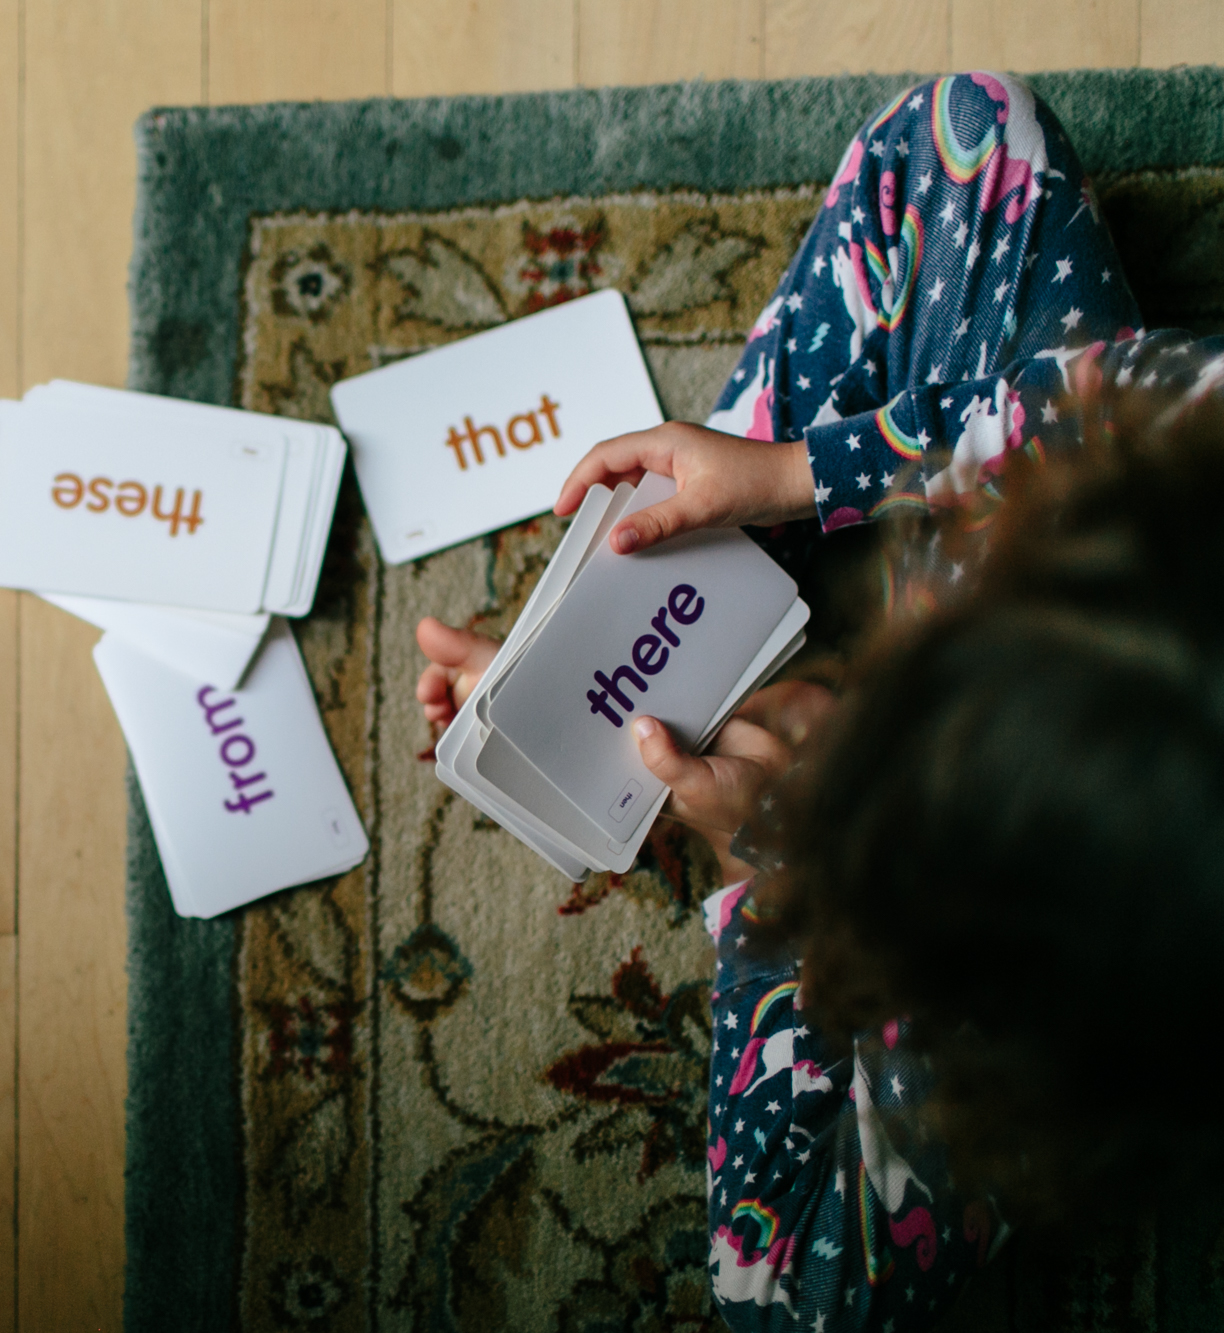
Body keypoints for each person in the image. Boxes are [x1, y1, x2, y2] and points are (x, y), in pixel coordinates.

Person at [415, 72, 1224, 1330]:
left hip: (1064, 946)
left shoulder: (1042, 1024)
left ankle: (701, 664)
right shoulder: (1166, 462)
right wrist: (788, 477)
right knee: (958, 131)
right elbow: (1082, 407)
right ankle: (699, 607)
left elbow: (780, 1296)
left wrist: (773, 879)